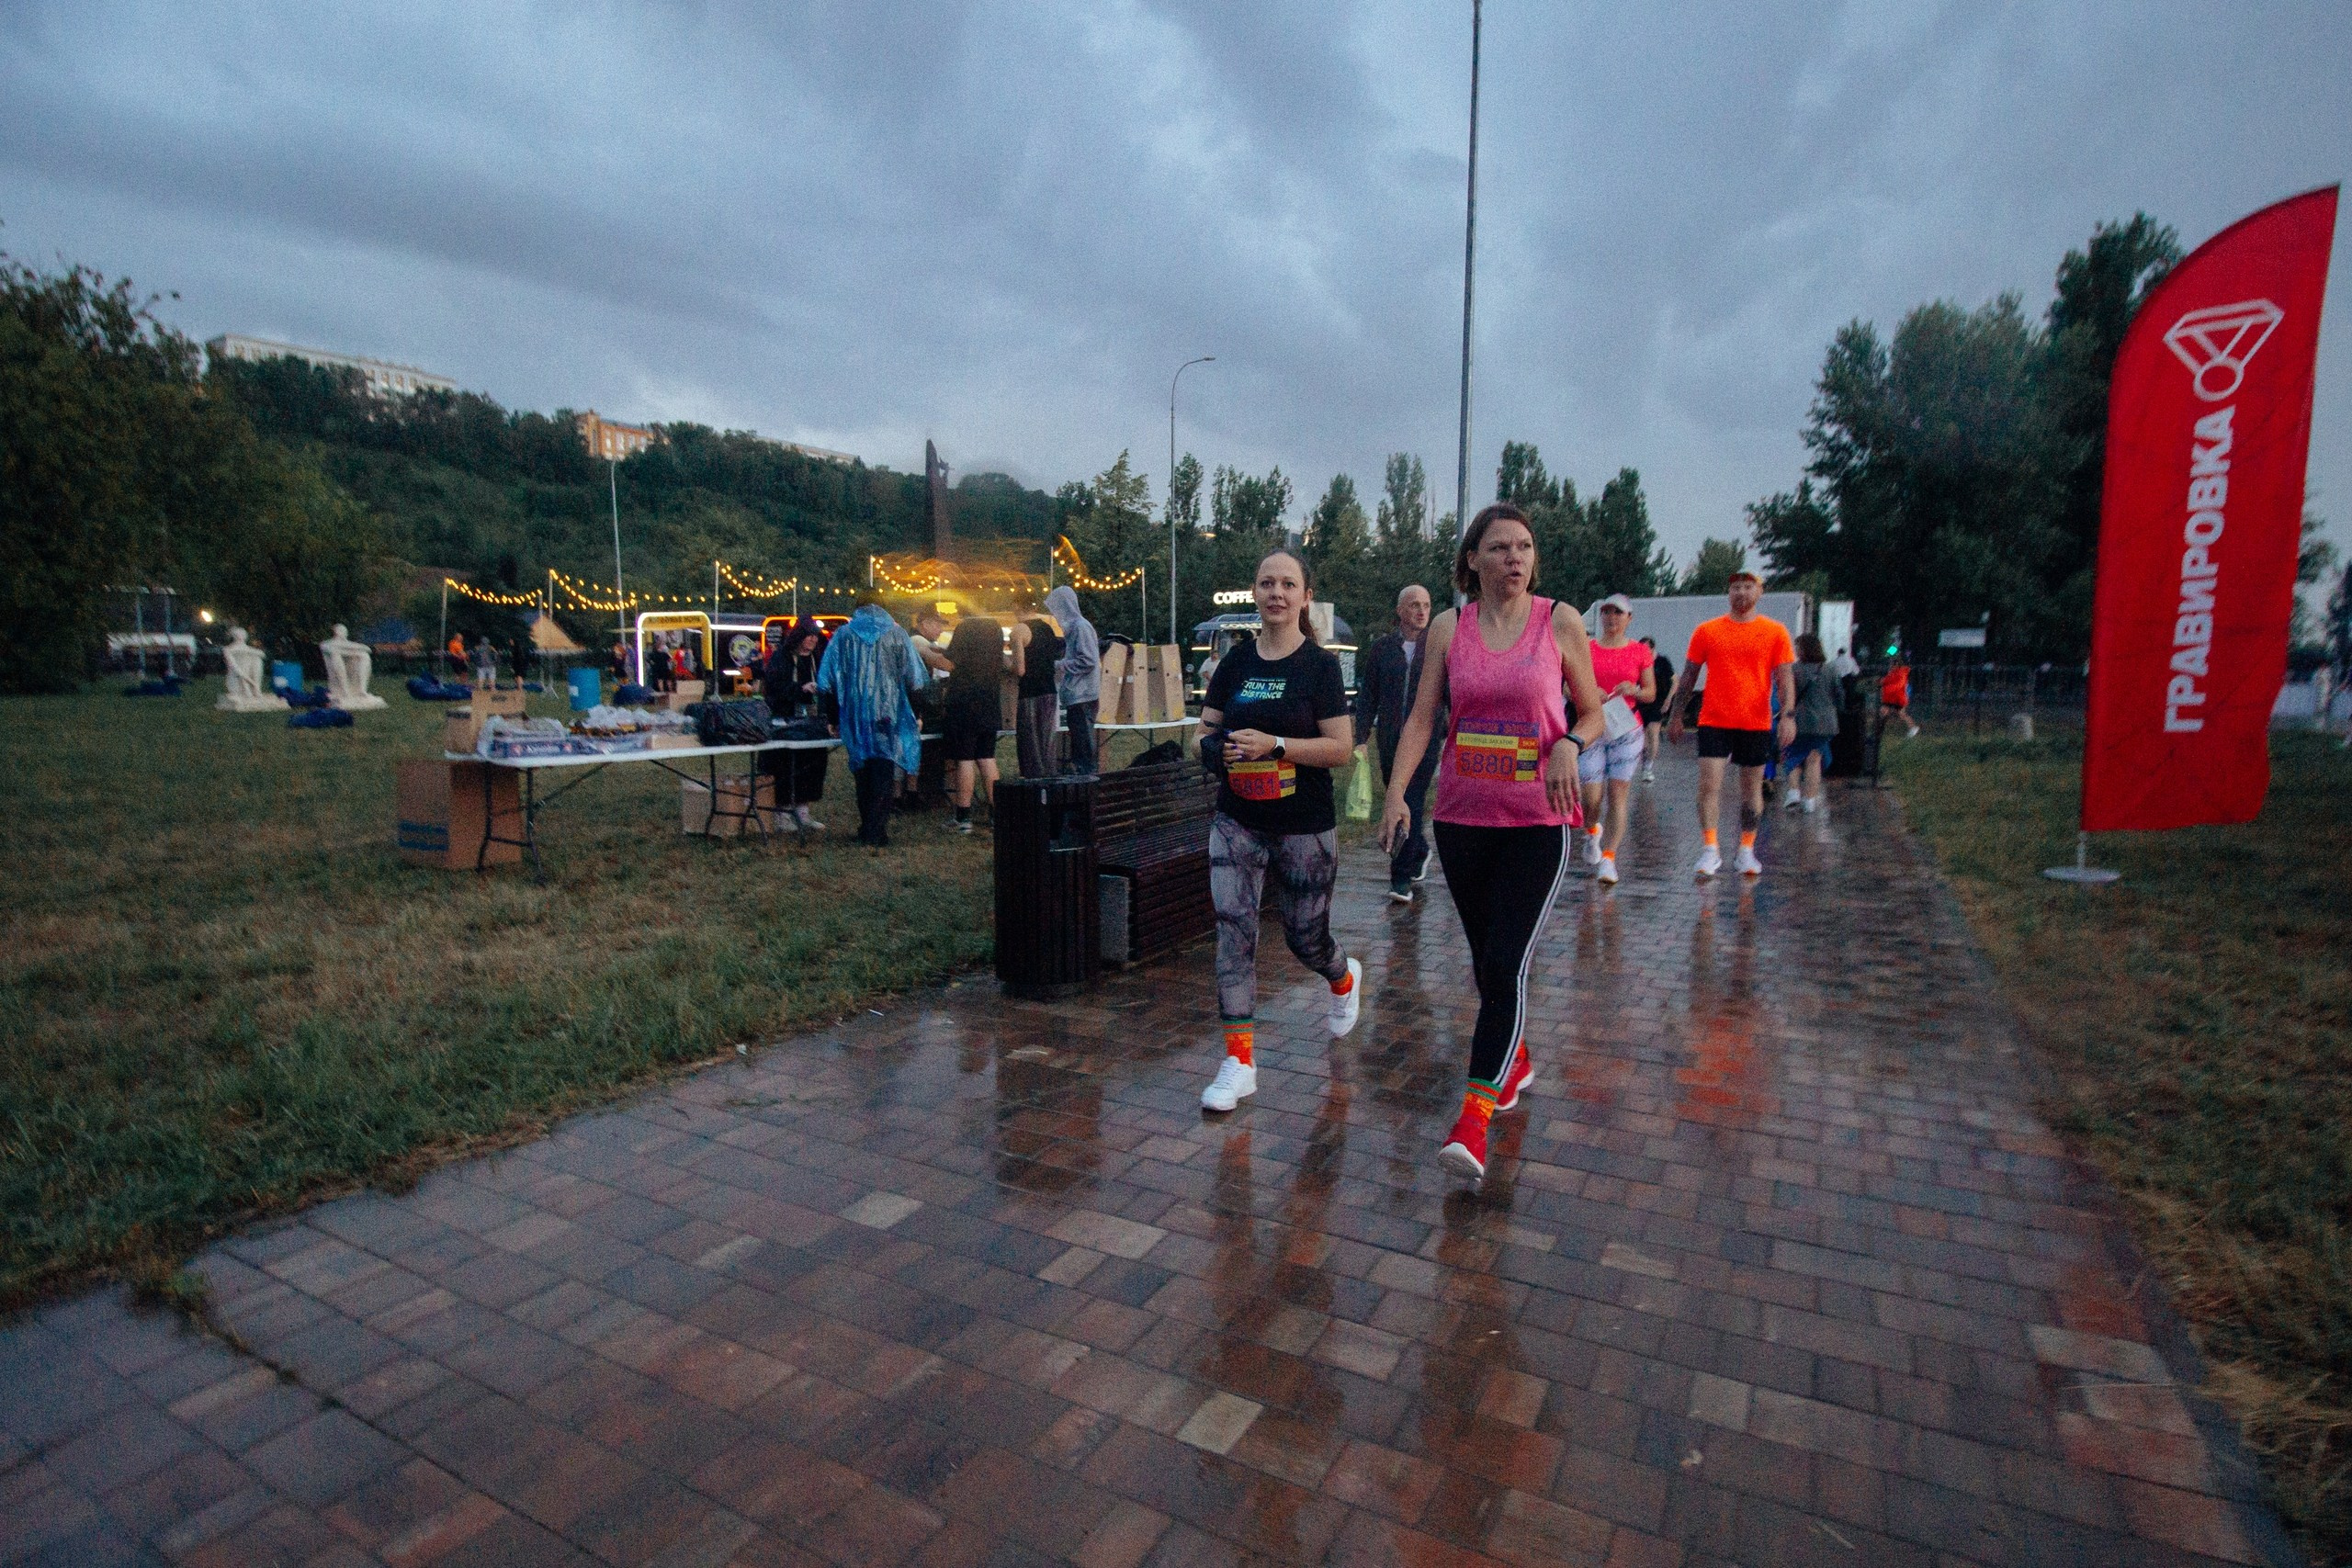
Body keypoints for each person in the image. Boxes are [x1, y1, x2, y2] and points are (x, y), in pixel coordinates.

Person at [1377, 504, 1606, 1182]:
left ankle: (1475, 1116)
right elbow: (1423, 717)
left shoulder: (1558, 620)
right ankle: (1518, 1057)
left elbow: (1594, 710)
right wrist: (1397, 792)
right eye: (1499, 547)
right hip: (1463, 819)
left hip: (1538, 821)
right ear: (1471, 560)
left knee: (1505, 962)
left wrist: (1568, 741)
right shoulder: (1450, 627)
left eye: (1525, 547)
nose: (1514, 557)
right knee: (1487, 962)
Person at [1196, 549, 1364, 1115]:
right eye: (1267, 582)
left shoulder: (1318, 667)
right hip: (1237, 819)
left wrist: (1278, 747)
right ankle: (1239, 1061)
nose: (1277, 593)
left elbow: (1341, 749)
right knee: (1234, 929)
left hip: (1303, 824)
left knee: (1303, 936)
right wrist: (1221, 751)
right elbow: (1206, 732)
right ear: (1255, 590)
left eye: (1288, 584)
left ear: (1305, 596)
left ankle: (1342, 977)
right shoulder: (1236, 662)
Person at [1662, 571, 1796, 878]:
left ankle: (1746, 850)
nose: (1741, 593)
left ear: (1759, 593)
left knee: (1751, 789)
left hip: (1755, 721)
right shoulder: (1708, 631)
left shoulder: (1775, 632)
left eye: (1748, 587)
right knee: (1709, 785)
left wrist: (1787, 716)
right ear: (1729, 592)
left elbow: (1784, 677)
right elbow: (1689, 675)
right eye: (1736, 587)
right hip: (1715, 720)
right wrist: (1677, 715)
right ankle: (1710, 849)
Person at [1352, 583, 1438, 902]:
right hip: (1390, 742)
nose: (1421, 611)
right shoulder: (1382, 649)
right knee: (1396, 799)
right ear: (1400, 611)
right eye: (1414, 605)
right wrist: (1361, 738)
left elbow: (1450, 695)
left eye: (1426, 605)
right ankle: (1419, 850)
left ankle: (1399, 878)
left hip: (1425, 742)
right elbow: (1368, 697)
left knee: (1409, 801)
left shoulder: (1436, 649)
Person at [816, 596, 924, 847]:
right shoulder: (897, 635)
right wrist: (916, 713)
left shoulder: (844, 635)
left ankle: (868, 827)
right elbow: (915, 678)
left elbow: (827, 679)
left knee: (862, 770)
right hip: (889, 714)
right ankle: (878, 829)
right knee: (884, 770)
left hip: (855, 714)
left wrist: (832, 716)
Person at [1577, 595, 1656, 885]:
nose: (1611, 618)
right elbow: (1566, 686)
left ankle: (1609, 859)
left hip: (1626, 726)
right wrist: (1587, 693)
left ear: (1629, 618)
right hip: (1593, 724)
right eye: (1607, 613)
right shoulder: (1587, 649)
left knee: (1618, 795)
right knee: (1591, 795)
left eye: (1618, 613)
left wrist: (1634, 690)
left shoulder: (1639, 651)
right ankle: (1591, 832)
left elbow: (1651, 692)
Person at [761, 617, 831, 830]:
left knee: (812, 764)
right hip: (785, 721)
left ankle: (802, 811)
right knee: (785, 766)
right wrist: (799, 690)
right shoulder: (781, 658)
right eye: (808, 635)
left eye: (814, 636)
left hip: (811, 721)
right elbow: (774, 689)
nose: (811, 640)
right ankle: (782, 813)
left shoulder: (816, 659)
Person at [941, 613, 1006, 833]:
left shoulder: (965, 628)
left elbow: (951, 663)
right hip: (990, 698)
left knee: (965, 758)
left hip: (965, 701)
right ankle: (997, 814)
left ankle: (963, 817)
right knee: (987, 757)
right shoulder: (995, 626)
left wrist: (922, 652)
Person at [1045, 586, 1101, 775]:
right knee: (1079, 741)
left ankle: (1087, 781)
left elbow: (1088, 661)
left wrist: (1060, 665)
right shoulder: (1075, 628)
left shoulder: (1080, 627)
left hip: (1082, 695)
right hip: (1077, 694)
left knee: (1083, 744)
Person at [1782, 633, 1839, 814]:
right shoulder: (1830, 669)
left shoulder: (1794, 670)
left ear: (1804, 649)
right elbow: (1839, 694)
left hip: (1800, 722)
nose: (1796, 651)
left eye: (1798, 647)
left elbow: (1787, 696)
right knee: (1815, 760)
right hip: (1825, 723)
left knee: (1794, 757)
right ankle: (1810, 801)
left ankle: (1793, 793)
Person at [1012, 604, 1062, 778]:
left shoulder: (1019, 630)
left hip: (1030, 691)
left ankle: (1033, 783)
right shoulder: (1048, 628)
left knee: (1030, 742)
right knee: (1047, 741)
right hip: (1049, 690)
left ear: (1017, 607)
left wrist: (1004, 661)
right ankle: (1050, 780)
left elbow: (1020, 669)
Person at [1639, 637, 1672, 784]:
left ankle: (1648, 767)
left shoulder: (1662, 662)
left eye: (1646, 649)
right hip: (1640, 702)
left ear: (1652, 648)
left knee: (1653, 733)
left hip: (1656, 703)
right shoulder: (1638, 661)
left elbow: (1675, 680)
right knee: (1642, 740)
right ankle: (1643, 760)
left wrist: (1668, 700)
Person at [1880, 655, 1920, 738]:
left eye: (1892, 664)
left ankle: (1913, 728)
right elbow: (1888, 679)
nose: (1891, 666)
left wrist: (1885, 689)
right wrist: (1881, 681)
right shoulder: (1894, 672)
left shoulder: (1902, 673)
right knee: (1884, 711)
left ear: (1897, 664)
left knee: (1901, 714)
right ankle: (1880, 729)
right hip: (1891, 697)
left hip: (1899, 698)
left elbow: (1898, 685)